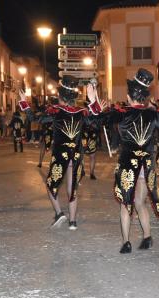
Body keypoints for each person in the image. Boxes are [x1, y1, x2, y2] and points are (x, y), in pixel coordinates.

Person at [92, 68, 159, 253]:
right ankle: (147, 237)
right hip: (145, 165)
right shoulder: (153, 114)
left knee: (126, 203)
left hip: (128, 165)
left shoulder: (122, 113)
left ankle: (126, 242)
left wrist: (94, 103)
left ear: (129, 96)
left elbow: (97, 122)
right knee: (140, 203)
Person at [18, 75, 100, 230]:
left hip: (60, 155)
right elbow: (96, 121)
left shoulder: (55, 111)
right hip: (75, 155)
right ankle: (73, 222)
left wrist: (24, 102)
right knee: (72, 188)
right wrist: (93, 101)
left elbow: (35, 119)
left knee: (50, 185)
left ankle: (59, 213)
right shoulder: (82, 112)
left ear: (61, 96)